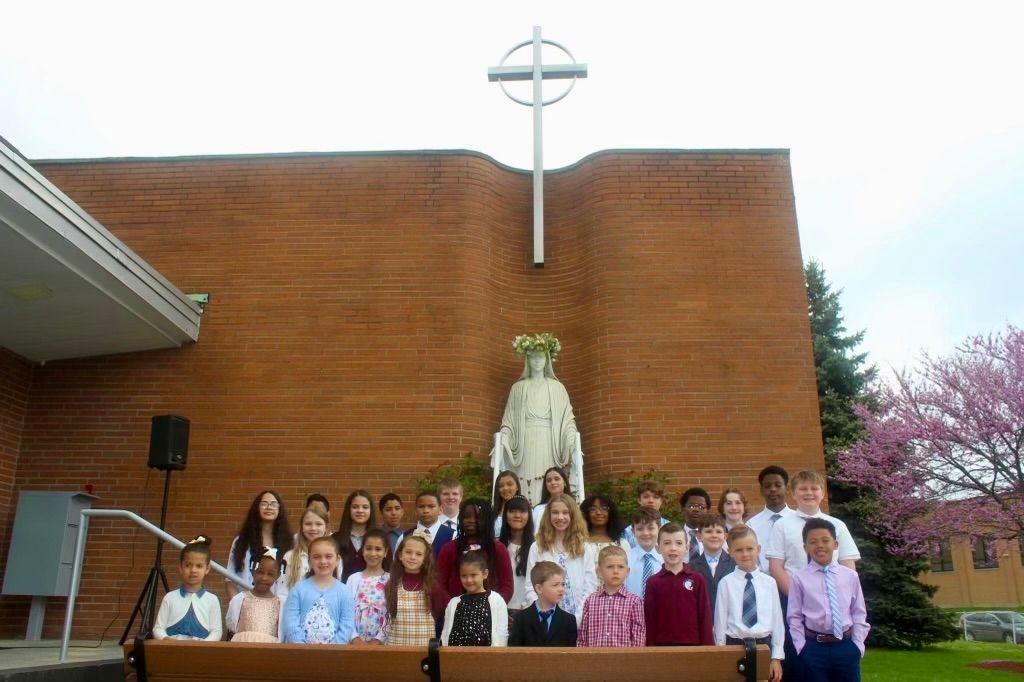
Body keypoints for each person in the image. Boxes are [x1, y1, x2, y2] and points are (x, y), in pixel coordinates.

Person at [497, 335, 578, 504]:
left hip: (550, 441)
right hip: (524, 441)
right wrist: (504, 437)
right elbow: (509, 420)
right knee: (524, 476)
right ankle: (522, 507)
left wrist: (571, 438)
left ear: (547, 360)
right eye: (533, 357)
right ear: (527, 360)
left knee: (548, 475)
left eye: (541, 357)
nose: (537, 361)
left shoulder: (557, 388)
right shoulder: (518, 388)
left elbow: (568, 420)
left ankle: (549, 507)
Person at [788, 519, 869, 682]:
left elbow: (858, 612)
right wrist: (801, 646)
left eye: (825, 540)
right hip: (813, 648)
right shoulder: (799, 578)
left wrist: (857, 644)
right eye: (813, 542)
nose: (820, 545)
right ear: (805, 547)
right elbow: (794, 616)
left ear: (835, 544)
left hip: (846, 646)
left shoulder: (850, 576)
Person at [767, 470, 860, 596]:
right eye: (803, 489)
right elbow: (775, 567)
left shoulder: (838, 525)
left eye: (814, 488)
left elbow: (847, 563)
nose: (809, 493)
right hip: (795, 594)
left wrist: (842, 594)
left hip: (833, 595)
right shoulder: (781, 525)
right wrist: (796, 596)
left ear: (822, 494)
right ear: (793, 494)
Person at [714, 525, 784, 682]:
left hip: (763, 646)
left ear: (758, 549)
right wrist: (721, 653)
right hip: (734, 646)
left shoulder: (770, 583)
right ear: (730, 552)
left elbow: (777, 621)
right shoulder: (725, 583)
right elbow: (720, 622)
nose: (745, 554)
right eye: (739, 550)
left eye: (749, 549)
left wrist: (776, 657)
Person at [524, 494, 598, 625]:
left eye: (565, 512)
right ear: (548, 515)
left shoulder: (585, 548)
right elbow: (531, 586)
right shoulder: (537, 547)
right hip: (546, 621)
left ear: (573, 515)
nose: (560, 517)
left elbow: (590, 586)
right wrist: (544, 616)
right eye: (555, 512)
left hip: (580, 619)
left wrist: (576, 619)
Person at [643, 523, 713, 646]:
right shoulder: (653, 582)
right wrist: (651, 650)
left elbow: (705, 616)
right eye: (667, 543)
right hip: (662, 647)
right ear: (658, 548)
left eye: (679, 543)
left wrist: (707, 649)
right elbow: (650, 620)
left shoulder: (697, 579)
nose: (673, 548)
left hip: (693, 647)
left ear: (687, 547)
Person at [435, 499, 513, 605]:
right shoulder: (449, 548)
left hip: (490, 609)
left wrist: (493, 606)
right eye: (467, 517)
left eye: (477, 517)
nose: (471, 520)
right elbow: (439, 583)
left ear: (487, 520)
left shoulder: (497, 548)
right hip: (455, 609)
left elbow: (507, 585)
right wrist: (453, 606)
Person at [282, 536, 355, 644]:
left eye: (328, 556)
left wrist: (333, 649)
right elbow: (290, 621)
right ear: (309, 561)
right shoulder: (298, 589)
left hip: (334, 652)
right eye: (316, 557)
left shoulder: (345, 592)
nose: (323, 561)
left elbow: (347, 624)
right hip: (301, 651)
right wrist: (301, 647)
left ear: (337, 560)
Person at [226, 490, 293, 599]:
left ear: (279, 509)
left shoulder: (289, 543)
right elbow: (230, 579)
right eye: (264, 503)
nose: (269, 507)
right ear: (256, 508)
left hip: (279, 606)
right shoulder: (242, 541)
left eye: (273, 504)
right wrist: (238, 605)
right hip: (246, 603)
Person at [153, 535, 222, 641]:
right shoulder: (170, 597)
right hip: (172, 647)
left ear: (207, 569)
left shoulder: (212, 600)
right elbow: (158, 629)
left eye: (199, 566)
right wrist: (166, 639)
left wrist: (204, 644)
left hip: (201, 648)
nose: (193, 570)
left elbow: (216, 631)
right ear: (180, 567)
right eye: (188, 565)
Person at [384, 533, 446, 646]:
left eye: (418, 554)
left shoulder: (433, 586)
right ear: (400, 555)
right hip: (396, 646)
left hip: (423, 647)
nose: (412, 557)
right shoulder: (392, 585)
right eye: (408, 552)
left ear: (425, 559)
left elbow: (440, 612)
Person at [577, 546, 645, 647]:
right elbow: (583, 637)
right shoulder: (590, 601)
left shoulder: (634, 602)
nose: (615, 571)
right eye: (610, 567)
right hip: (595, 656)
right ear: (599, 571)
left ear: (627, 571)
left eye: (620, 567)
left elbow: (638, 638)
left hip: (624, 656)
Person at [440, 551, 509, 646]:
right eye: (464, 576)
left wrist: (496, 654)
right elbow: (445, 636)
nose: (469, 580)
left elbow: (502, 635)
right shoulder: (453, 603)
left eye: (473, 575)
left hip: (487, 655)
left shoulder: (496, 600)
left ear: (485, 574)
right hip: (456, 654)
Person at [508, 561, 578, 646]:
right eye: (555, 585)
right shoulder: (521, 619)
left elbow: (571, 652)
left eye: (563, 584)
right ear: (539, 588)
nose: (561, 589)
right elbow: (515, 650)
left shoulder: (569, 620)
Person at [227, 547, 285, 642]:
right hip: (242, 647)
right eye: (260, 572)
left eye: (270, 574)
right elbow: (232, 626)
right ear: (252, 570)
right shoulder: (240, 599)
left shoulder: (280, 603)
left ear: (278, 575)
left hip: (269, 648)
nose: (264, 578)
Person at [745, 466, 795, 573]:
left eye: (778, 485)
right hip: (763, 580)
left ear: (787, 488)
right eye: (767, 486)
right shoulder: (751, 525)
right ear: (761, 491)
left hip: (796, 579)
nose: (773, 489)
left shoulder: (800, 521)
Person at [345, 528, 391, 645]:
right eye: (368, 548)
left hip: (381, 644)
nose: (373, 553)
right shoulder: (353, 579)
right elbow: (346, 611)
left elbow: (392, 614)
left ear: (385, 552)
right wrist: (354, 638)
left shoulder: (391, 580)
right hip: (354, 643)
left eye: (378, 549)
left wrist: (379, 640)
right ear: (362, 550)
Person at [278, 506, 332, 604]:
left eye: (318, 524)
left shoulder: (334, 558)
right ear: (301, 527)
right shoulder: (289, 557)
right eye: (308, 524)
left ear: (326, 528)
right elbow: (282, 593)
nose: (313, 528)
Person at [498, 494, 535, 624]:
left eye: (522, 511)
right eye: (512, 511)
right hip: (500, 610)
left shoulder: (536, 548)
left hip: (528, 611)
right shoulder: (498, 546)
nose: (517, 515)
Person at [687, 513, 735, 613]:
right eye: (708, 531)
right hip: (702, 619)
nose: (714, 535)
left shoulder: (735, 565)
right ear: (699, 536)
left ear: (725, 536)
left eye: (718, 532)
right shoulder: (690, 568)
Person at [334, 490, 376, 582]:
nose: (360, 510)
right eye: (355, 507)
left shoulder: (380, 539)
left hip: (372, 590)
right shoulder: (335, 539)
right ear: (348, 509)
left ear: (371, 510)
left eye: (365, 507)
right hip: (341, 589)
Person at [581, 494, 629, 565]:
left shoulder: (621, 543)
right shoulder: (578, 543)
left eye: (604, 508)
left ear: (611, 513)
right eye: (593, 509)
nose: (598, 512)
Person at [625, 508, 663, 598]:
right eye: (640, 529)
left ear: (659, 529)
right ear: (633, 531)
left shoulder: (666, 559)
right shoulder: (625, 560)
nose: (645, 533)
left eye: (650, 528)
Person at [405, 491, 455, 558]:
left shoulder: (453, 535)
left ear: (440, 509)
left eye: (431, 506)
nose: (426, 511)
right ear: (415, 510)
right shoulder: (404, 536)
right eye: (421, 506)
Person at [622, 480, 670, 549]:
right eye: (646, 497)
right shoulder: (627, 532)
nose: (651, 500)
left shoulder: (670, 528)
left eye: (655, 497)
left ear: (661, 500)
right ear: (639, 500)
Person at [679, 487, 711, 562]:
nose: (696, 510)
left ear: (708, 511)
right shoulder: (674, 535)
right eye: (691, 506)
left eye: (701, 507)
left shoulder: (714, 536)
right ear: (682, 509)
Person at [492, 470, 522, 536]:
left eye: (509, 484)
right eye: (501, 486)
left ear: (517, 487)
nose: (505, 488)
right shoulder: (491, 512)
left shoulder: (526, 511)